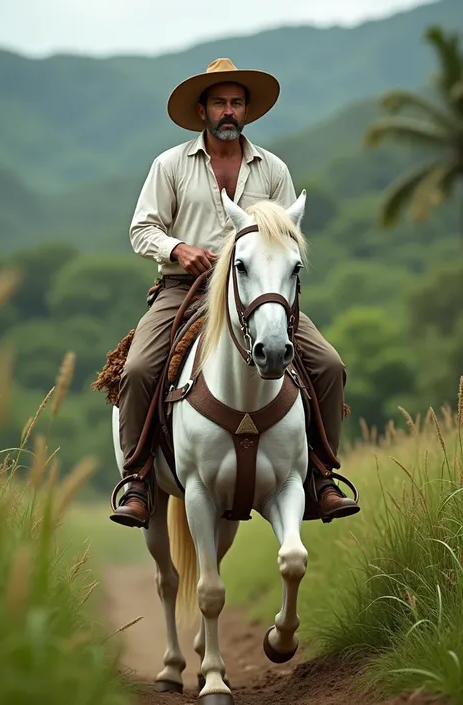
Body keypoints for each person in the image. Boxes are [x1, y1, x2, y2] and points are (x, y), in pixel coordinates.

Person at [110, 58, 360, 528]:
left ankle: (321, 475)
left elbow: (286, 237)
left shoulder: (273, 169)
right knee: (139, 368)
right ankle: (139, 477)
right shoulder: (170, 165)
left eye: (237, 103)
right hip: (184, 288)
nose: (229, 111)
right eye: (220, 103)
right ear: (202, 109)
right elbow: (142, 227)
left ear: (247, 111)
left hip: (259, 291)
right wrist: (178, 248)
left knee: (328, 365)